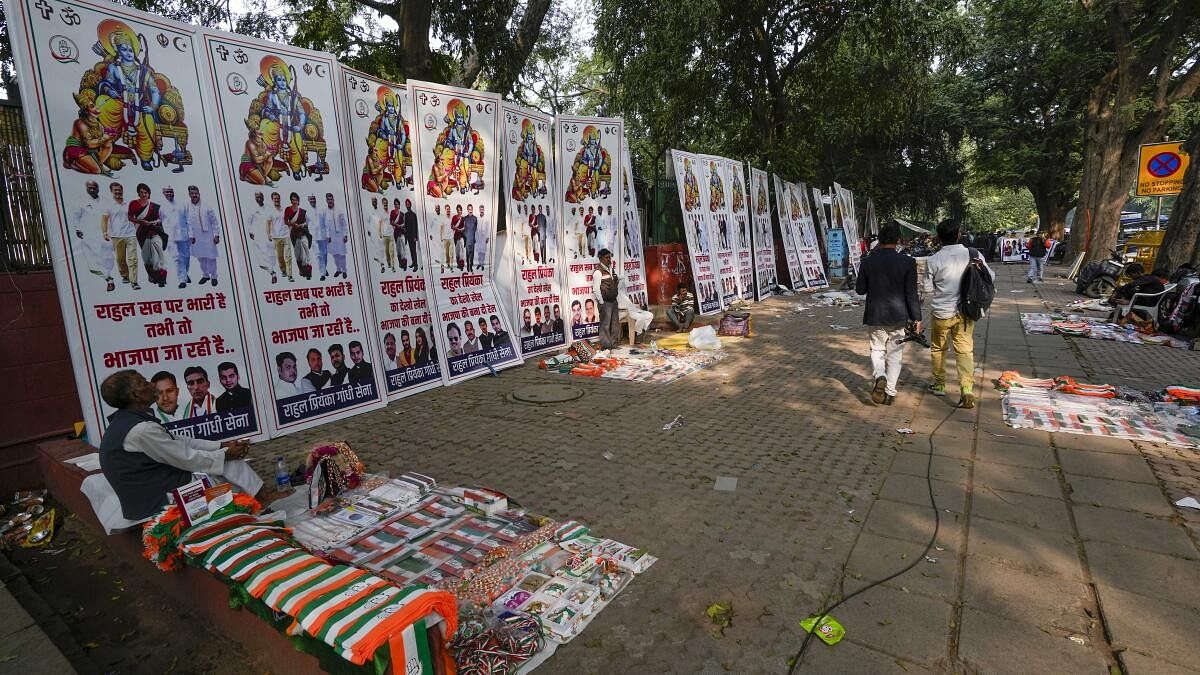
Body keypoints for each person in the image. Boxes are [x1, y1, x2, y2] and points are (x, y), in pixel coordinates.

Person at [97, 370, 262, 521]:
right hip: (161, 502)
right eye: (144, 382)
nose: (152, 384)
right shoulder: (141, 429)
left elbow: (182, 441)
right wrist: (226, 454)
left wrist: (222, 445)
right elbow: (187, 458)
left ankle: (258, 498)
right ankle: (259, 499)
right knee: (226, 463)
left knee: (225, 458)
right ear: (136, 395)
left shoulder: (131, 421)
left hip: (157, 491)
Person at [925, 219, 994, 409]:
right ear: (958, 235)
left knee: (938, 349)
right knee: (964, 350)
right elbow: (990, 277)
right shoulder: (974, 254)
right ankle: (966, 389)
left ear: (938, 238)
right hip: (966, 312)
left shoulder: (933, 260)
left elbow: (928, 289)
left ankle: (939, 384)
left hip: (941, 313)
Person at [855, 223, 921, 405]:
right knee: (895, 354)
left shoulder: (868, 261)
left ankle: (880, 375)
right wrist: (917, 317)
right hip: (899, 316)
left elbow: (860, 290)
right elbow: (911, 293)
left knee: (877, 349)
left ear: (880, 240)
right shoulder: (908, 262)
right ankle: (890, 392)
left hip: (875, 314)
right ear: (898, 240)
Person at [71, 180, 116, 292]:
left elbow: (112, 216)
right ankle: (109, 280)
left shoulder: (106, 201)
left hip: (105, 235)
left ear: (98, 188)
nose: (91, 190)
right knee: (92, 261)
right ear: (86, 189)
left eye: (93, 188)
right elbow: (76, 217)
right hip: (88, 235)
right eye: (89, 188)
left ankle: (109, 276)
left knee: (107, 258)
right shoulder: (81, 201)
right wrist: (77, 229)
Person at [101, 182, 139, 290]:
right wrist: (105, 232)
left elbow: (135, 217)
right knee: (120, 259)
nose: (118, 192)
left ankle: (134, 282)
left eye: (119, 189)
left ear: (122, 190)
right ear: (111, 191)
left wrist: (135, 229)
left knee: (133, 259)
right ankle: (125, 275)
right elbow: (104, 219)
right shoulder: (108, 205)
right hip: (116, 236)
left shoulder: (129, 204)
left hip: (130, 235)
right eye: (115, 190)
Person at [129, 183, 167, 287]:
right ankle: (152, 275)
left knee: (158, 255)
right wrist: (141, 222)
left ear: (148, 193)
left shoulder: (154, 206)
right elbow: (130, 218)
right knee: (146, 256)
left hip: (154, 233)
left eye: (145, 192)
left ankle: (161, 278)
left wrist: (154, 222)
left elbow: (159, 219)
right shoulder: (133, 203)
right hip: (142, 233)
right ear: (138, 193)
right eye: (141, 192)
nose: (143, 194)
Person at [186, 186, 221, 287]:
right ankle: (205, 275)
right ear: (189, 195)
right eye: (192, 193)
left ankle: (214, 276)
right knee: (201, 258)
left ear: (199, 194)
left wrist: (216, 235)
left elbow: (214, 222)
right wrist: (191, 236)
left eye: (196, 193)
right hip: (196, 238)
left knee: (211, 257)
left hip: (208, 236)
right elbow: (188, 223)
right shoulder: (187, 207)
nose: (194, 195)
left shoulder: (207, 206)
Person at [161, 186, 191, 288]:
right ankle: (181, 280)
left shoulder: (182, 205)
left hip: (183, 235)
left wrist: (191, 235)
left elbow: (188, 220)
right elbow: (160, 222)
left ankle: (185, 274)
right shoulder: (161, 207)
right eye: (167, 192)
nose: (169, 194)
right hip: (170, 237)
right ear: (163, 193)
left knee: (186, 257)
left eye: (171, 192)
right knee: (177, 258)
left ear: (173, 192)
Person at [591, 248, 621, 348]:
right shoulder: (598, 272)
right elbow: (596, 289)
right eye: (607, 257)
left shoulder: (610, 269)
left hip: (613, 300)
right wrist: (601, 302)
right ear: (601, 259)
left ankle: (614, 344)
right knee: (605, 325)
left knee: (615, 324)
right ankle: (607, 345)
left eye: (610, 257)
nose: (609, 259)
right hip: (605, 302)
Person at [323, 193, 350, 279]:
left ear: (333, 200)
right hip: (331, 236)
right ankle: (338, 269)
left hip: (340, 235)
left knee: (342, 254)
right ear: (326, 200)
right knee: (335, 254)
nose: (330, 201)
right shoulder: (325, 212)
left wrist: (345, 235)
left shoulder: (339, 210)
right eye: (328, 199)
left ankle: (344, 270)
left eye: (331, 199)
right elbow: (325, 225)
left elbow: (344, 224)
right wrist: (327, 236)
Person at [268, 192, 293, 281]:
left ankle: (290, 275)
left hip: (286, 236)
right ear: (272, 200)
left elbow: (289, 220)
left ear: (280, 199)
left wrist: (290, 231)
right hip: (276, 237)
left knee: (288, 256)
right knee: (280, 257)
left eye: (278, 198)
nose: (277, 200)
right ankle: (283, 270)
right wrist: (269, 234)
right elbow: (268, 223)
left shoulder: (284, 210)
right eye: (275, 198)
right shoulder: (270, 211)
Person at [403, 199, 419, 271]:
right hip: (408, 236)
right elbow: (405, 226)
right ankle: (413, 263)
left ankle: (416, 265)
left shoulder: (414, 215)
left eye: (408, 204)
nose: (407, 205)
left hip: (413, 236)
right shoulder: (405, 215)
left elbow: (416, 226)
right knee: (411, 250)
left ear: (410, 204)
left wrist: (415, 237)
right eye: (406, 204)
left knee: (414, 251)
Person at [463, 204, 479, 273]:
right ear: (467, 210)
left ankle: (471, 266)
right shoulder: (465, 218)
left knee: (472, 254)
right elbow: (463, 229)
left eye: (471, 209)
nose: (470, 211)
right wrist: (465, 237)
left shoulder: (475, 218)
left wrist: (472, 235)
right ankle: (467, 266)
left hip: (472, 239)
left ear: (472, 209)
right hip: (467, 239)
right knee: (467, 254)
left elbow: (475, 228)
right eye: (469, 209)